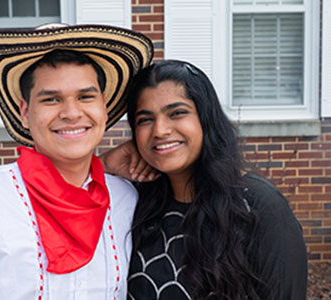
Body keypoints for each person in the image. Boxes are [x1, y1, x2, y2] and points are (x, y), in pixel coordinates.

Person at [0, 24, 153, 300]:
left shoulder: (126, 199)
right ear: (24, 112)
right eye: (51, 99)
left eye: (85, 97)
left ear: (103, 107)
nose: (71, 113)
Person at [112, 60, 307, 300]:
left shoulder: (259, 207)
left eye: (177, 113)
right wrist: (102, 165)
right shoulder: (133, 202)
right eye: (145, 119)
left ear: (206, 119)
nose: (160, 130)